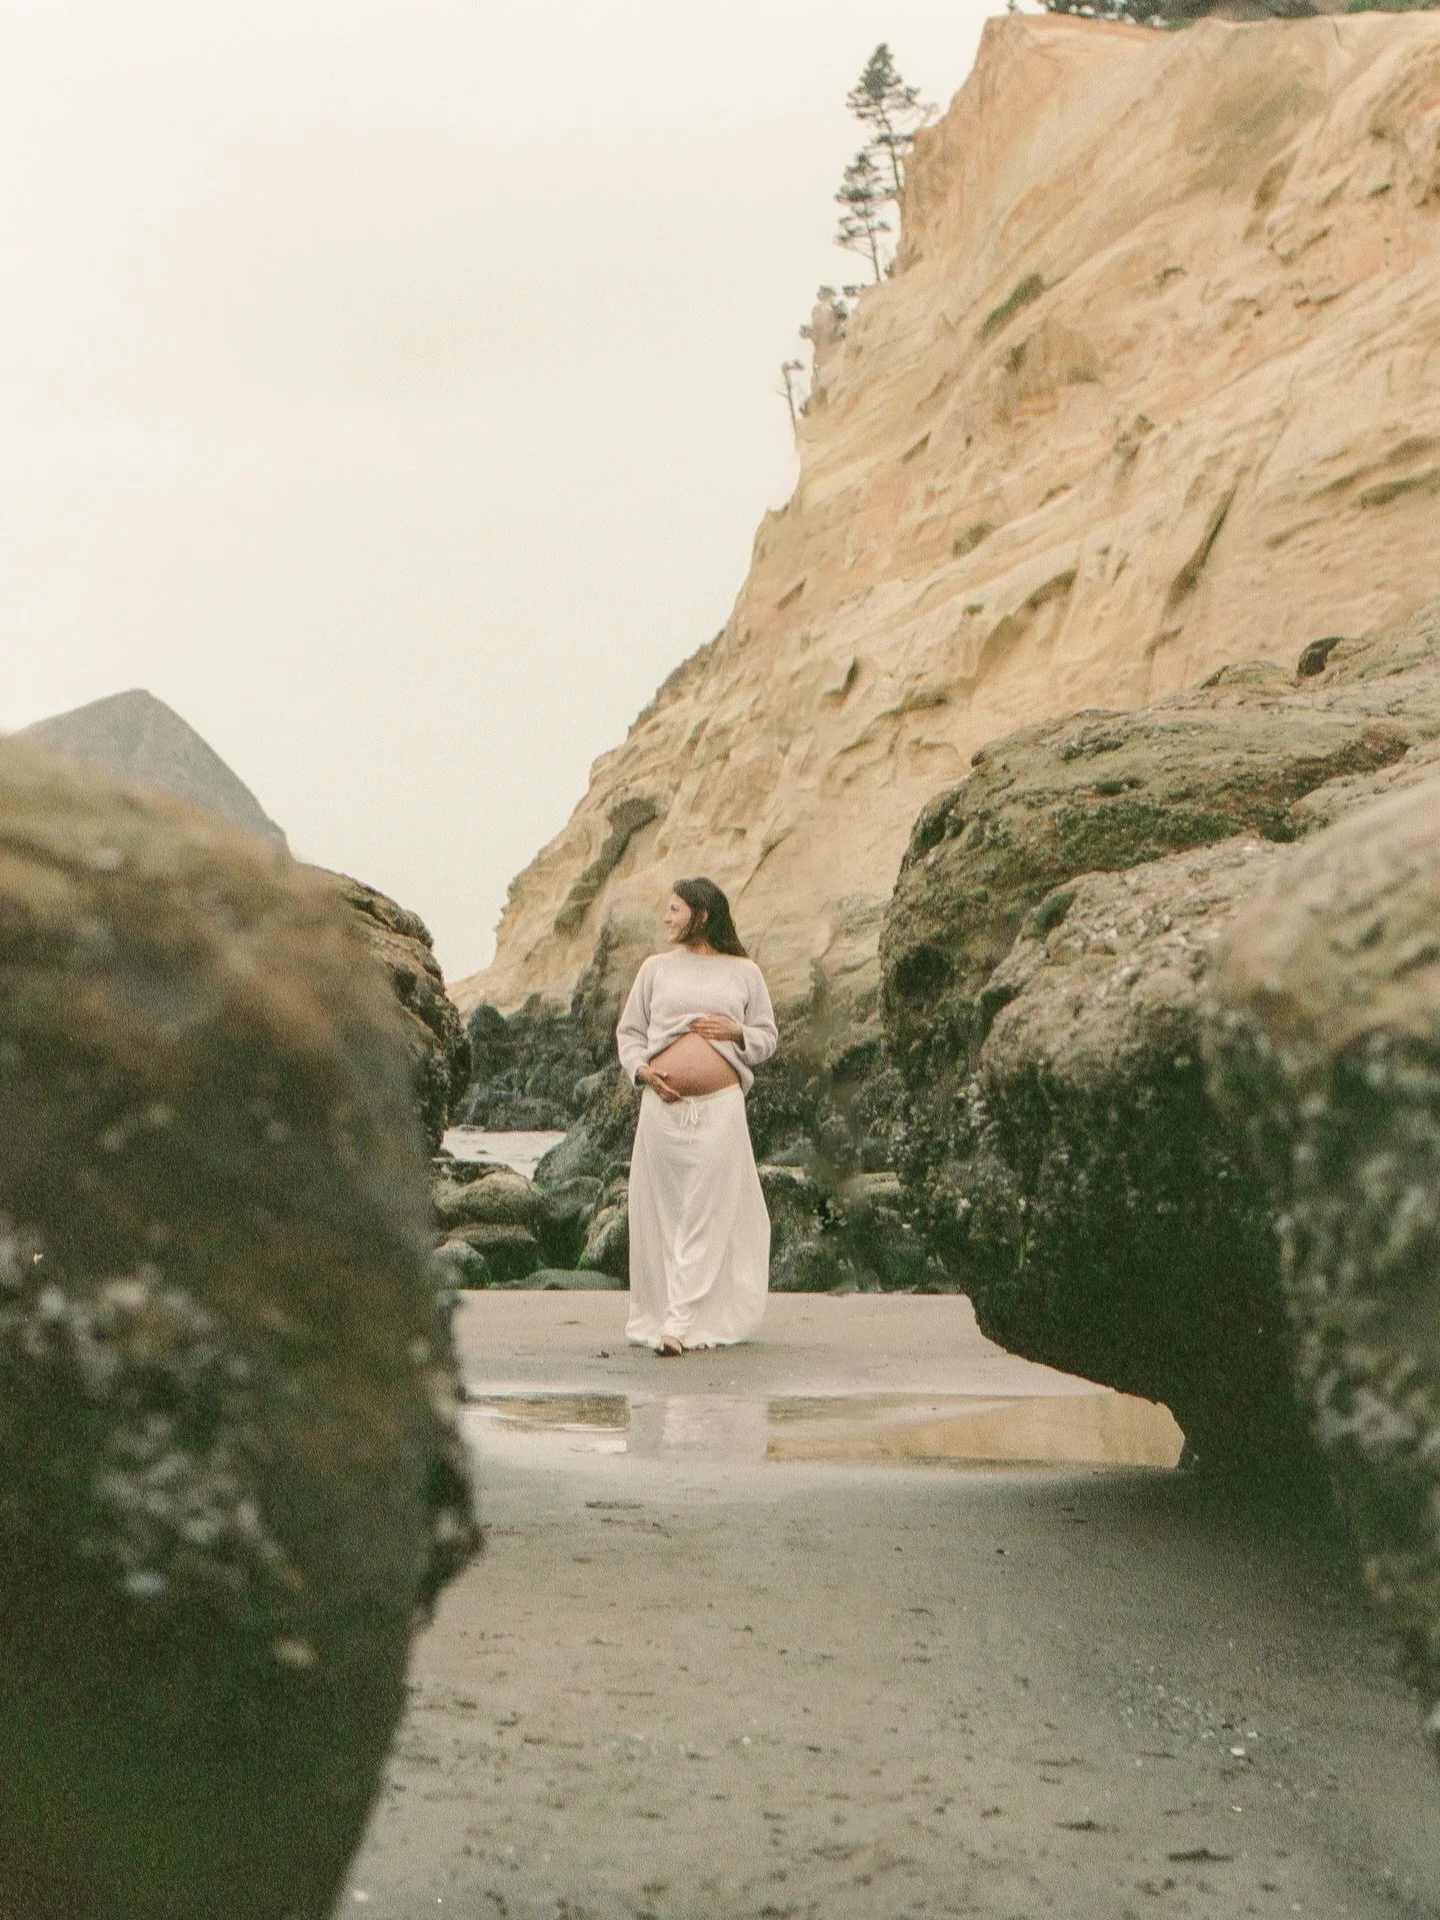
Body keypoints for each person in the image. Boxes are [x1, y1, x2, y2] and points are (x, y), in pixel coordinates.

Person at [615, 877, 778, 1355]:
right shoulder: (654, 969)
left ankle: (679, 1325)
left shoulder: (744, 972)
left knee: (706, 1210)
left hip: (719, 1109)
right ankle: (667, 1314)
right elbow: (629, 1033)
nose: (665, 918)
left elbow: (767, 1038)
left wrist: (738, 1031)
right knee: (664, 1212)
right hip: (661, 1110)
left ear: (701, 916)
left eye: (674, 910)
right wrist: (642, 1070)